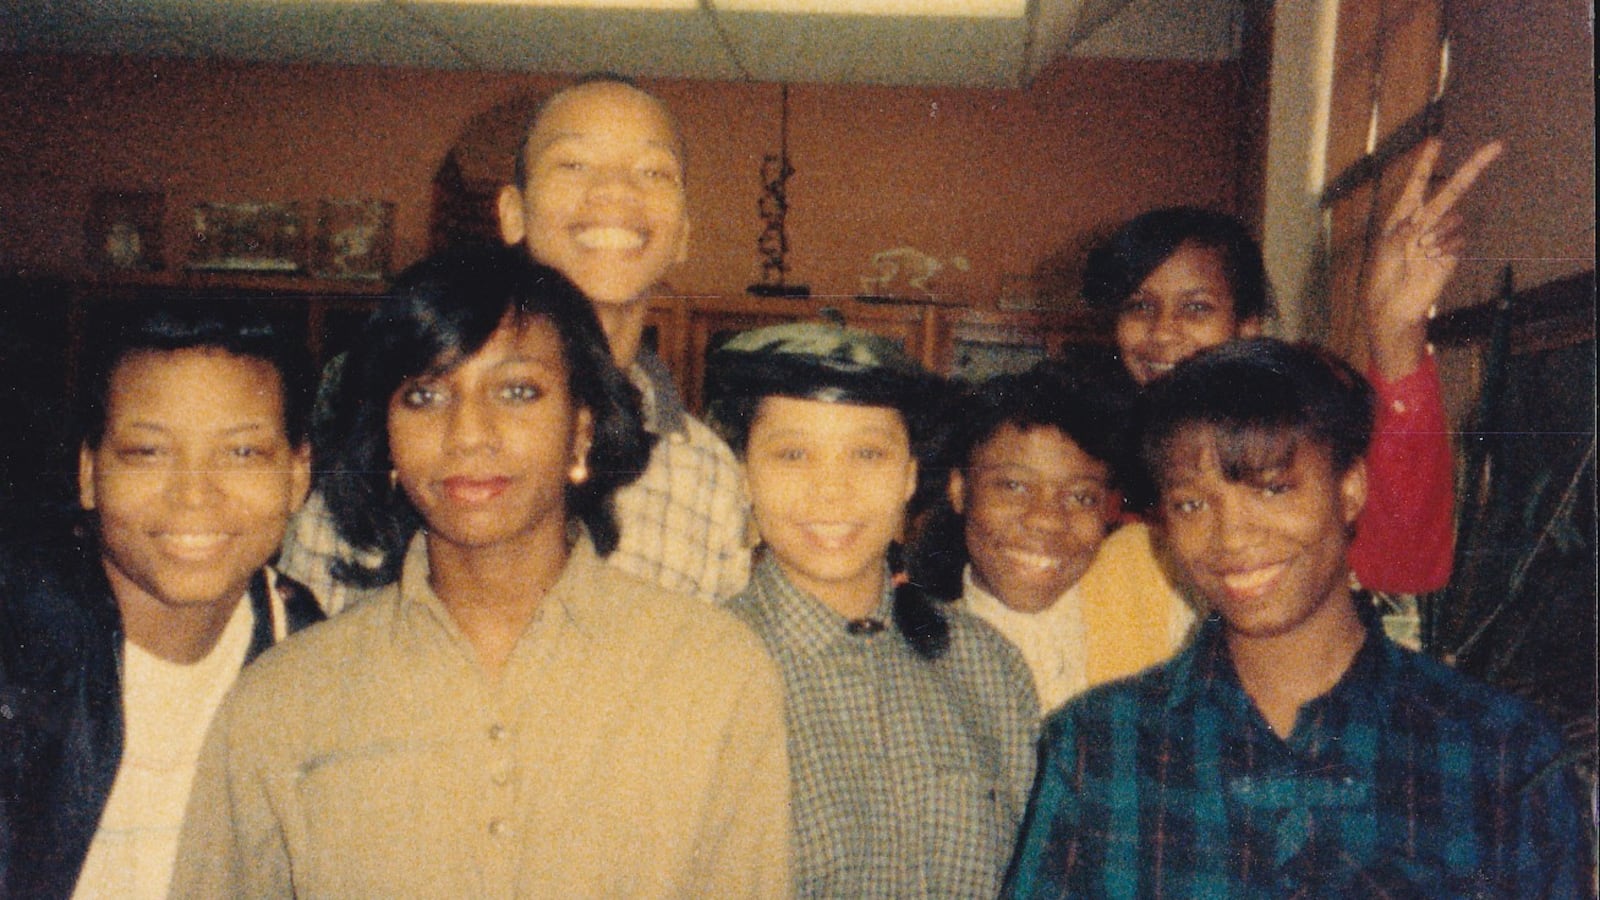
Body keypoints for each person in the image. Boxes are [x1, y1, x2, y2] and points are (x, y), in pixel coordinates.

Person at [170, 247, 789, 897]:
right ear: (386, 435)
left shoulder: (714, 676)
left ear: (581, 431)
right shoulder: (284, 701)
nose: (469, 433)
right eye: (425, 394)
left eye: (517, 391)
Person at [1003, 338, 1593, 898]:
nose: (1230, 537)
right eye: (1191, 504)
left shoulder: (1498, 754)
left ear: (1350, 489)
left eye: (1272, 489)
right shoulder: (1099, 746)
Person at [278, 74, 750, 610]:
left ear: (683, 234)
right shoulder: (397, 425)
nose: (617, 190)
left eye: (652, 170)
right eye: (573, 164)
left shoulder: (707, 475)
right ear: (513, 213)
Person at [1079, 139, 1504, 608]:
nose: (1162, 333)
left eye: (1196, 308)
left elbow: (1403, 566)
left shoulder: (1297, 433)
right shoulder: (1090, 444)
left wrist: (1395, 333)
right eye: (1139, 306)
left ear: (1247, 328)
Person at [1, 303, 322, 899]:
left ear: (298, 473)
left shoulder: (308, 652)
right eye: (148, 453)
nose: (194, 496)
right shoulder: (19, 643)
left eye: (243, 452)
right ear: (89, 473)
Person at [707, 322, 1038, 899]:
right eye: (792, 454)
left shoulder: (985, 665)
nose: (831, 489)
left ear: (909, 474)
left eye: (866, 453)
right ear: (744, 476)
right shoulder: (700, 669)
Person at [911, 354, 1193, 713]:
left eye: (1080, 496)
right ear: (959, 490)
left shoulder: (1149, 587)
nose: (1046, 520)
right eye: (1013, 486)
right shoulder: (918, 652)